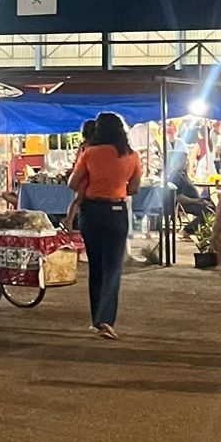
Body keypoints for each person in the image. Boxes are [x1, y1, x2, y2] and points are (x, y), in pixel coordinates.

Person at [65, 112, 141, 339]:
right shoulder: (132, 156)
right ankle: (106, 319)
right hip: (117, 212)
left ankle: (97, 320)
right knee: (113, 267)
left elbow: (72, 183)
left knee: (96, 267)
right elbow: (134, 188)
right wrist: (116, 187)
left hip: (92, 212)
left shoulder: (89, 153)